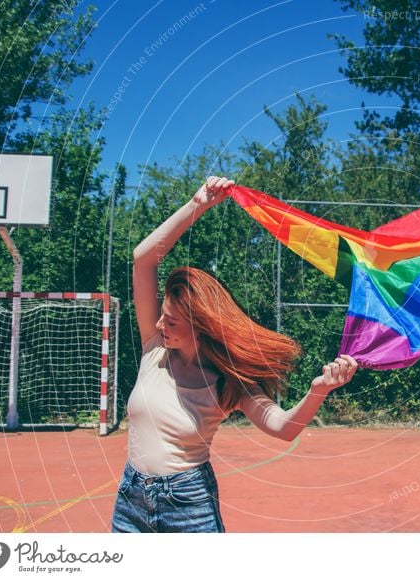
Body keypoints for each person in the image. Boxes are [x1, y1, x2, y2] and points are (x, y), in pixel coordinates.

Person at [110, 176, 358, 533]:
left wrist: (318, 390)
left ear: (201, 326)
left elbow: (283, 428)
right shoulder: (155, 350)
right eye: (162, 313)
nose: (160, 322)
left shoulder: (228, 383)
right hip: (130, 499)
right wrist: (198, 205)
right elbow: (142, 259)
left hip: (189, 502)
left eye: (173, 320)